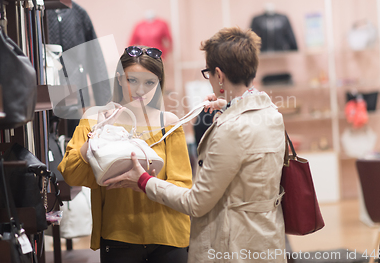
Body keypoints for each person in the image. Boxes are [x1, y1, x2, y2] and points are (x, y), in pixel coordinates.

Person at [106, 27, 287, 263]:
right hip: (267, 238)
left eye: (208, 73)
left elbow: (196, 203)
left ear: (219, 75)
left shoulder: (230, 129)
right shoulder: (271, 114)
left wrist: (144, 182)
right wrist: (229, 105)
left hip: (233, 248)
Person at [57, 45, 192, 263]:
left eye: (150, 83)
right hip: (119, 234)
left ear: (159, 84)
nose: (140, 90)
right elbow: (71, 174)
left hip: (168, 235)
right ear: (120, 79)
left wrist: (144, 183)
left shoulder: (169, 124)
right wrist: (97, 135)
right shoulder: (95, 118)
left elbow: (183, 185)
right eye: (133, 80)